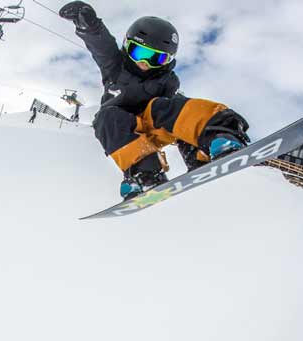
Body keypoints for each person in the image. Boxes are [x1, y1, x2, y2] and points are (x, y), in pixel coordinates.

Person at [60, 2, 250, 200]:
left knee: (168, 105)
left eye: (156, 59)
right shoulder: (115, 66)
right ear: (127, 47)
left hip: (156, 124)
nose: (145, 63)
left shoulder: (167, 80)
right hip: (127, 133)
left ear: (167, 61)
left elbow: (180, 116)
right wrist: (88, 25)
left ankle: (215, 138)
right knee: (105, 118)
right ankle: (146, 173)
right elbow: (101, 45)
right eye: (140, 53)